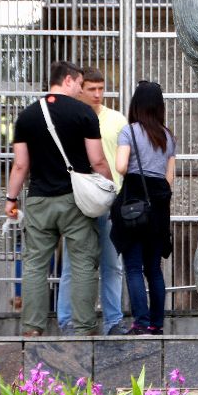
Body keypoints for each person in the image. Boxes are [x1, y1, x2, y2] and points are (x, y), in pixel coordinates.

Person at [5, 61, 112, 336]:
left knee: (35, 265)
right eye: (79, 83)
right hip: (75, 202)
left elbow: (20, 165)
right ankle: (85, 327)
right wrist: (109, 188)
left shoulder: (27, 116)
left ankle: (32, 328)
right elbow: (98, 160)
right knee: (82, 263)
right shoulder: (84, 114)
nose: (80, 88)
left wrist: (11, 199)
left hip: (39, 200)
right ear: (67, 80)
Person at [56, 68, 129, 335]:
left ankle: (113, 321)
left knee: (112, 264)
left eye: (101, 89)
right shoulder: (70, 118)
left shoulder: (117, 120)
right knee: (72, 265)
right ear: (79, 88)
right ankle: (66, 320)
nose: (98, 94)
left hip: (110, 200)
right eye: (92, 89)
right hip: (78, 201)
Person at [111, 80, 176, 336]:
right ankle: (157, 324)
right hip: (159, 206)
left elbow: (121, 166)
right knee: (154, 269)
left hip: (134, 205)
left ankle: (140, 323)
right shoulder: (168, 135)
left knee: (134, 266)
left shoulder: (129, 132)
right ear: (159, 106)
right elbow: (169, 177)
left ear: (136, 104)